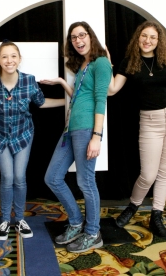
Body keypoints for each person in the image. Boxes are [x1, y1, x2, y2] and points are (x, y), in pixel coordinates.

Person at [0, 40, 64, 241]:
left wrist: (68, 101)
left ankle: (19, 219)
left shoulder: (29, 81)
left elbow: (41, 102)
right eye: (4, 56)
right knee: (7, 177)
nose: (9, 60)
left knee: (20, 178)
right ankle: (4, 220)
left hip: (23, 135)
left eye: (13, 56)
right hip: (0, 136)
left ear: (19, 59)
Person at [108, 21, 166, 240]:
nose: (148, 41)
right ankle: (133, 206)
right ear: (138, 37)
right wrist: (108, 65)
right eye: (144, 36)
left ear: (158, 41)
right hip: (150, 122)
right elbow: (112, 90)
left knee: (165, 173)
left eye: (153, 37)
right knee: (148, 175)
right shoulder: (130, 62)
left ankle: (157, 216)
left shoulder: (164, 60)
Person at [40, 21, 112, 253]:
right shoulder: (83, 65)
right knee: (52, 177)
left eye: (82, 35)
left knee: (85, 182)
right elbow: (80, 97)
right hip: (70, 130)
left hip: (87, 130)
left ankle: (93, 233)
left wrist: (96, 136)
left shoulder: (101, 62)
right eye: (73, 37)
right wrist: (63, 83)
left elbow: (101, 99)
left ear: (91, 37)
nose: (78, 40)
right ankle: (76, 222)